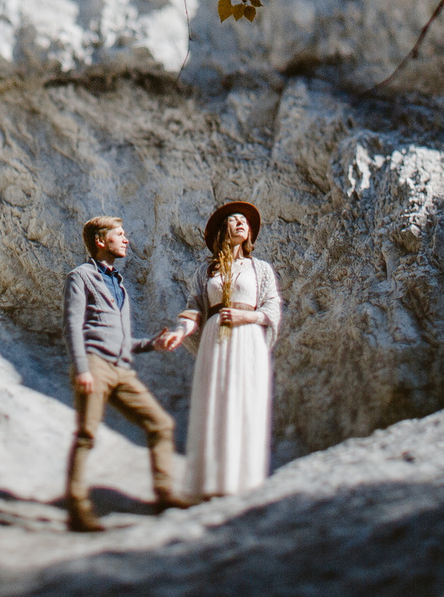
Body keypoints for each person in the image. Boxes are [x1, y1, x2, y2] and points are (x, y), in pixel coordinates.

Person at [62, 214, 192, 532]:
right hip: (94, 365)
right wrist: (82, 369)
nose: (126, 240)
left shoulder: (118, 283)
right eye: (120, 234)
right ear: (100, 241)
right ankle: (77, 509)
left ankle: (164, 495)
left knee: (160, 424)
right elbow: (72, 326)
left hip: (121, 370)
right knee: (87, 434)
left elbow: (120, 340)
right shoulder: (80, 277)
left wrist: (153, 344)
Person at [161, 199, 282, 500]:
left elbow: (272, 307)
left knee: (246, 402)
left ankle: (245, 482)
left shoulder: (260, 269)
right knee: (215, 402)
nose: (242, 223)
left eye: (245, 221)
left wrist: (247, 316)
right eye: (234, 219)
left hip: (248, 338)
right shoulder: (205, 270)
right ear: (221, 229)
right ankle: (212, 484)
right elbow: (194, 309)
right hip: (215, 340)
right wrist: (179, 332)